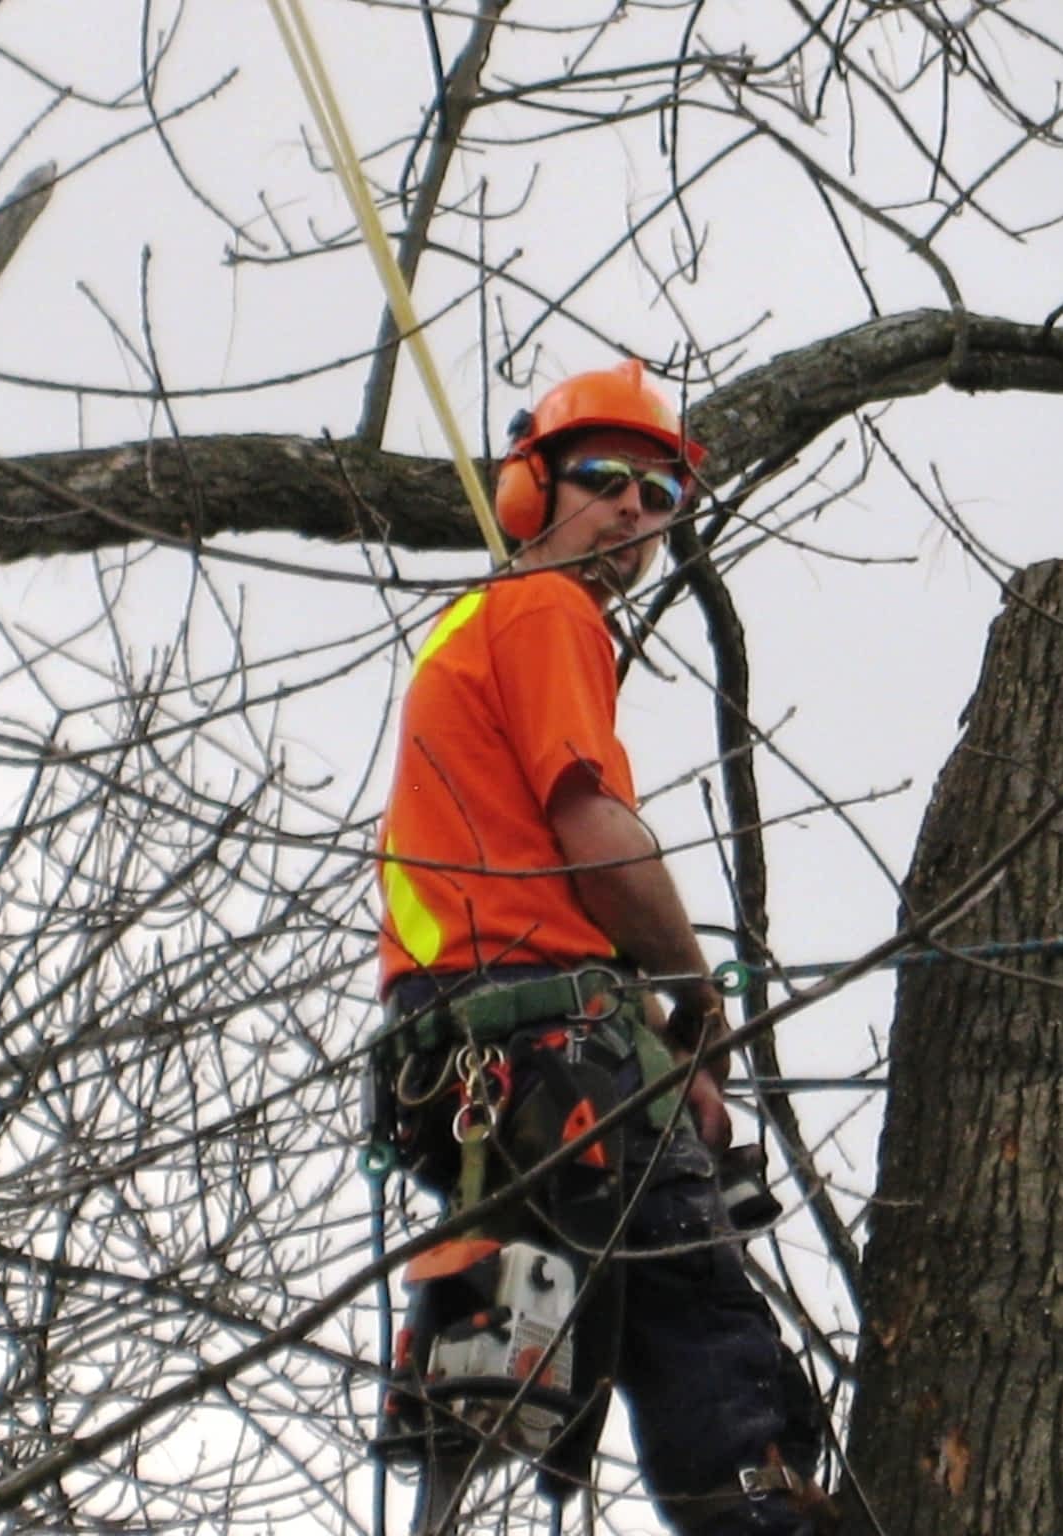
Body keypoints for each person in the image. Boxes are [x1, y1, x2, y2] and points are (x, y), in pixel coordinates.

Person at [371, 360, 823, 1535]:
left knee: (515, 1343)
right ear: (532, 491)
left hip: (474, 1057)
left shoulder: (477, 631)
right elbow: (594, 833)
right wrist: (693, 995)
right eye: (605, 478)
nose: (634, 508)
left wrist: (667, 1060)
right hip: (539, 1044)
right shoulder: (544, 610)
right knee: (712, 1348)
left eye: (661, 492)